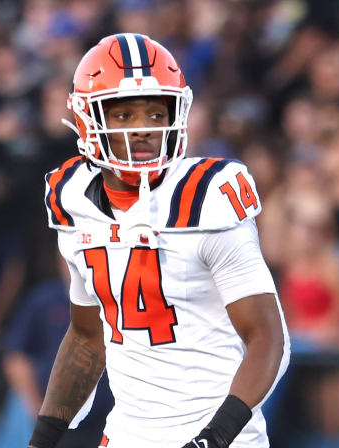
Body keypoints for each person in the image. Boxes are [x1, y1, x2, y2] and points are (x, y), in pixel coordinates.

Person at [28, 33, 290, 448]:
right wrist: (42, 440)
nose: (145, 129)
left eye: (155, 113)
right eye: (124, 115)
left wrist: (213, 439)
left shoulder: (206, 196)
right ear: (88, 120)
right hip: (128, 435)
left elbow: (268, 338)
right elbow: (87, 335)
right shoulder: (72, 197)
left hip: (220, 439)